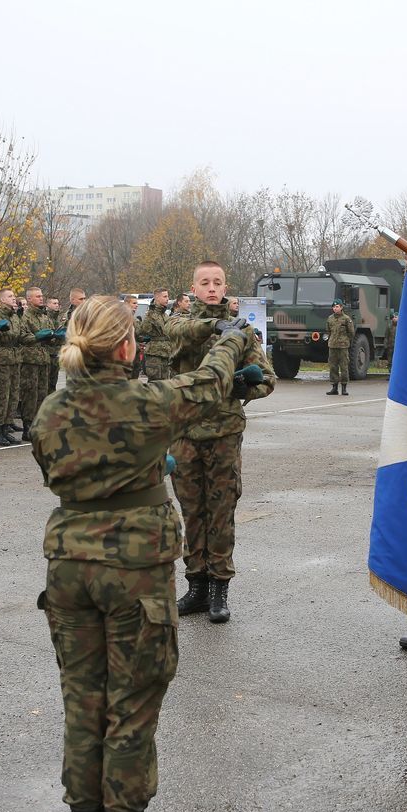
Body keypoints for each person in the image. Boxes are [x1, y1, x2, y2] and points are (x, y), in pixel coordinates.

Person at [31, 295, 253, 812]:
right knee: (130, 710)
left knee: (83, 703)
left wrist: (146, 464)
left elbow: (59, 471)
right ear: (127, 346)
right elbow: (207, 383)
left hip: (68, 569)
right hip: (132, 571)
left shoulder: (49, 411)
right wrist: (232, 337)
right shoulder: (147, 402)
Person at [165, 260, 275, 622]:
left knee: (222, 511)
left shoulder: (243, 332)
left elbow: (267, 378)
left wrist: (248, 385)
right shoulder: (180, 323)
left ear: (226, 288)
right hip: (185, 432)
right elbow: (181, 331)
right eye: (204, 283)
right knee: (191, 510)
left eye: (217, 283)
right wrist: (217, 325)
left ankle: (218, 590)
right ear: (192, 288)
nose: (211, 288)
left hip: (224, 432)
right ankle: (195, 585)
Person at [0, 288, 22, 446]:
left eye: (14, 296)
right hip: (2, 357)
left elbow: (19, 334)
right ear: (1, 300)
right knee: (2, 396)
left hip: (14, 357)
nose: (13, 298)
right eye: (10, 296)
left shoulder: (14, 316)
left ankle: (7, 428)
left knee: (13, 395)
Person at [17, 287, 52, 440]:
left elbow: (51, 331)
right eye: (37, 296)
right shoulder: (24, 317)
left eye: (42, 295)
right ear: (29, 299)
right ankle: (28, 427)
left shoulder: (44, 317)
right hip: (30, 359)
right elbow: (23, 337)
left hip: (43, 358)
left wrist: (54, 335)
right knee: (30, 394)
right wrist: (37, 337)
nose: (41, 298)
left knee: (42, 393)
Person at [137, 289, 172, 381]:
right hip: (155, 354)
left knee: (165, 383)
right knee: (155, 383)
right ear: (157, 298)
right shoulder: (150, 315)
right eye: (164, 296)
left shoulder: (165, 315)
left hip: (166, 353)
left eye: (167, 296)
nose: (167, 299)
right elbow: (142, 332)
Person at [325, 299, 354, 396]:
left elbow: (351, 333)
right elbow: (328, 331)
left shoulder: (346, 319)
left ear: (341, 307)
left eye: (337, 306)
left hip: (343, 346)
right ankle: (334, 387)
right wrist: (331, 340)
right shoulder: (330, 318)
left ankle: (344, 387)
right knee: (333, 367)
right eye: (334, 307)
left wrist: (345, 341)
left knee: (344, 366)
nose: (335, 308)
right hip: (332, 346)